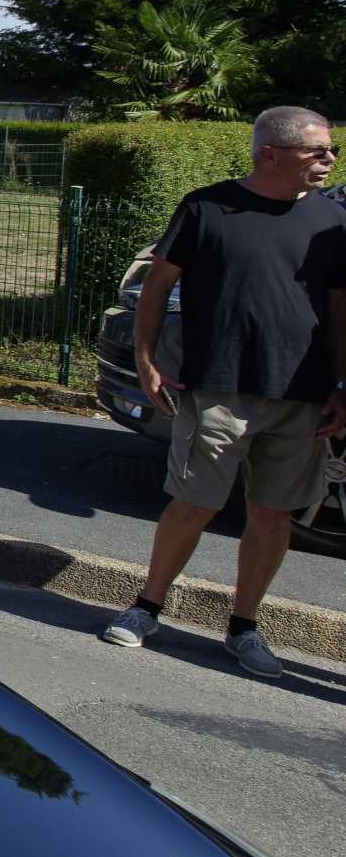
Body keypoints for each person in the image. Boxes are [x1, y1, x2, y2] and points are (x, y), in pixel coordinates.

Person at [104, 106, 346, 679]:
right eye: (319, 150)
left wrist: (340, 384)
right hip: (218, 385)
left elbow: (339, 309)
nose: (330, 160)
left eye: (330, 150)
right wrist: (145, 359)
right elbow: (158, 286)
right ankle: (146, 607)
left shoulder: (333, 223)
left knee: (273, 515)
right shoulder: (207, 206)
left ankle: (243, 628)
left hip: (302, 392)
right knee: (194, 502)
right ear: (271, 153)